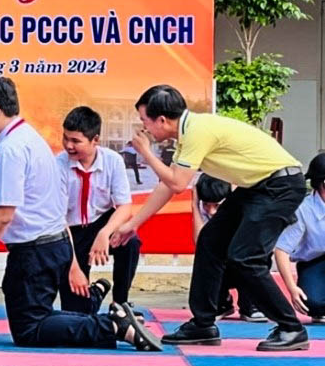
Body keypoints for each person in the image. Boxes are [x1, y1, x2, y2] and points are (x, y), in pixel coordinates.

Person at [0, 76, 159, 351]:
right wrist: (71, 260)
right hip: (55, 244)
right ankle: (106, 314)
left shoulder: (12, 149)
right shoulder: (31, 138)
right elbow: (56, 208)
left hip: (35, 251)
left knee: (30, 328)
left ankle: (112, 326)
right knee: (39, 317)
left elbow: (4, 214)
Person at [111, 85, 309, 351]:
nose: (143, 129)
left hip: (280, 186)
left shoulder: (197, 131)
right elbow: (167, 186)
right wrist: (132, 225)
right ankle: (203, 323)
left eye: (144, 121)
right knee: (210, 240)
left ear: (161, 120)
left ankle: (291, 328)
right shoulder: (188, 133)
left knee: (244, 257)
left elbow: (178, 183)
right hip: (257, 186)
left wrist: (145, 152)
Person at [58, 107, 140, 314]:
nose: (69, 146)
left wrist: (104, 233)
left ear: (95, 140)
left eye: (76, 141)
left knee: (130, 242)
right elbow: (58, 218)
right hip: (68, 230)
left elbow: (124, 206)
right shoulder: (56, 165)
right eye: (66, 138)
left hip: (101, 222)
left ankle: (120, 304)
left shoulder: (112, 160)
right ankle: (96, 292)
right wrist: (74, 266)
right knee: (77, 313)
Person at [191, 174, 264, 322]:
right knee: (206, 257)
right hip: (220, 265)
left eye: (217, 205)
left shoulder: (244, 207)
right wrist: (195, 206)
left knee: (250, 256)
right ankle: (221, 303)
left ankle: (250, 304)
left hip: (242, 260)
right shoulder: (203, 211)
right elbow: (200, 243)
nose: (211, 211)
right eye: (206, 204)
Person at [274, 151, 325, 325]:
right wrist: (292, 288)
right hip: (314, 260)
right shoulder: (303, 209)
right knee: (311, 302)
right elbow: (281, 250)